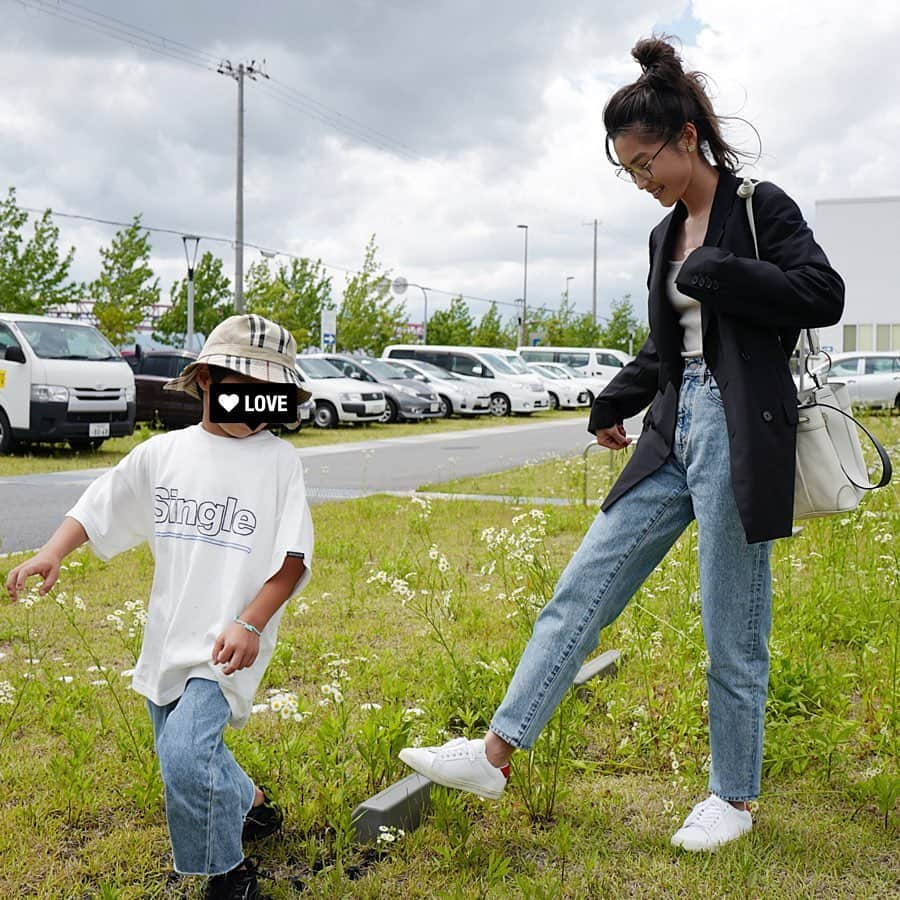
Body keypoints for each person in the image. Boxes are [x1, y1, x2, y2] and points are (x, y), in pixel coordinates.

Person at [399, 36, 844, 852]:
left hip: (741, 433)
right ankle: (494, 754)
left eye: (646, 163)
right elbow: (663, 349)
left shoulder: (758, 206)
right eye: (628, 171)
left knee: (731, 626)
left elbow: (822, 293)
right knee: (582, 588)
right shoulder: (659, 237)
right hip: (672, 424)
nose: (642, 182)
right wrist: (616, 397)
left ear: (685, 139)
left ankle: (734, 800)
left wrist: (718, 271)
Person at [6, 314, 315, 898]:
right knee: (184, 752)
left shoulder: (278, 462)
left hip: (230, 641)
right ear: (206, 380)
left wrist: (251, 621)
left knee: (182, 756)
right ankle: (250, 801)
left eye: (267, 395)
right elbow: (102, 503)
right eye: (241, 387)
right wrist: (52, 551)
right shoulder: (163, 454)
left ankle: (228, 873)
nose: (253, 407)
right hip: (168, 635)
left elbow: (293, 557)